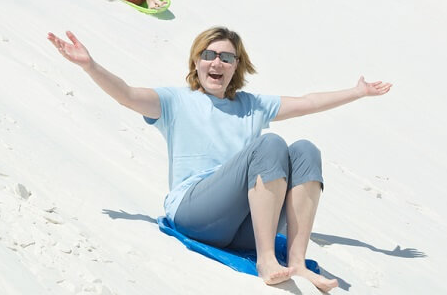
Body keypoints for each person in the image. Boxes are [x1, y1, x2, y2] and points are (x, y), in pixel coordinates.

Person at [46, 26, 391, 291]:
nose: (217, 62)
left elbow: (308, 101)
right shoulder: (176, 101)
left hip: (242, 227)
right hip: (194, 212)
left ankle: (297, 261)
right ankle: (267, 260)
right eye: (209, 54)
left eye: (226, 57)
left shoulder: (252, 105)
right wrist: (90, 66)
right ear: (196, 61)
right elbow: (127, 95)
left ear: (236, 66)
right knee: (269, 145)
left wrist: (358, 92)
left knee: (304, 151)